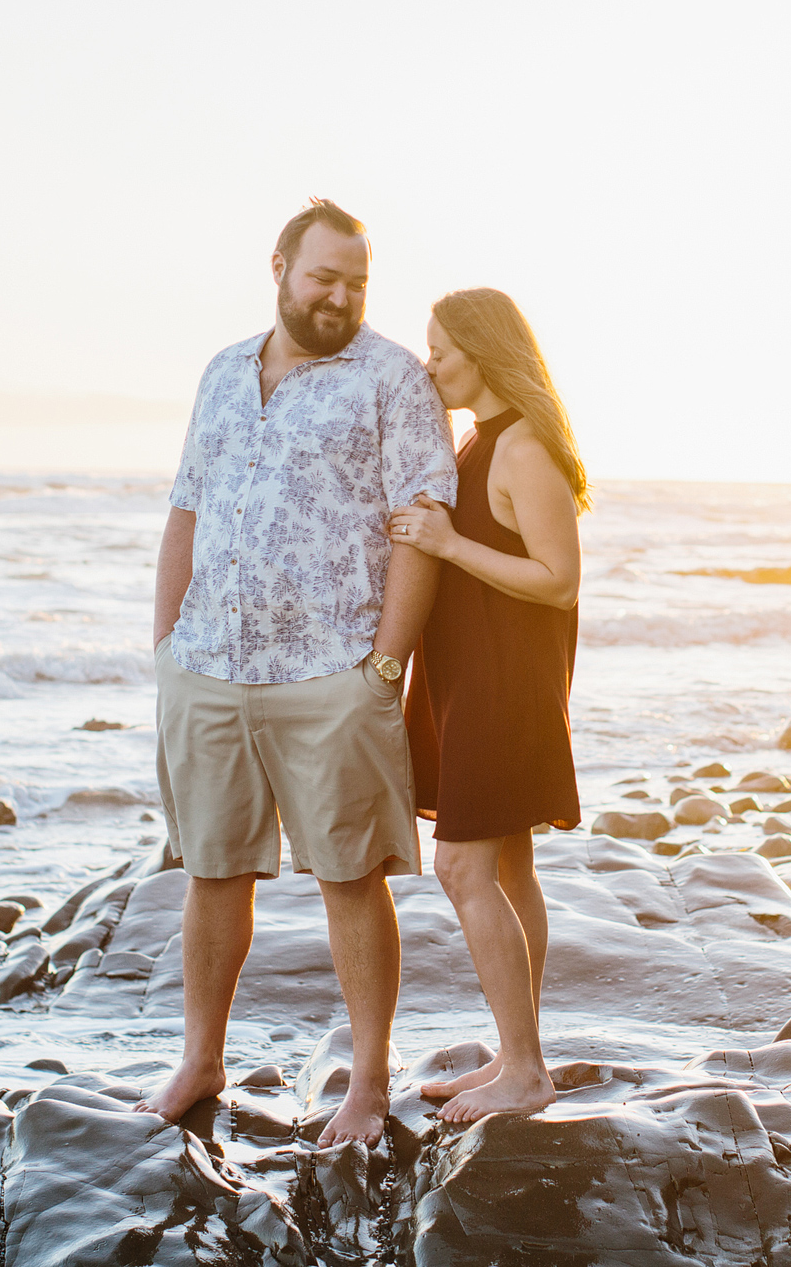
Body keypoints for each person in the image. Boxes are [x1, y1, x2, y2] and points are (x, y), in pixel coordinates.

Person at [139, 199, 457, 1147]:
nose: (341, 297)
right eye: (324, 277)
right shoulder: (222, 372)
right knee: (211, 869)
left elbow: (423, 530)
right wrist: (166, 647)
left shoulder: (394, 379)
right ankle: (201, 1058)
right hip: (208, 665)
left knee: (352, 876)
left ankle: (367, 1080)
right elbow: (186, 512)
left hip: (334, 670)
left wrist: (385, 666)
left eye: (357, 282)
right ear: (279, 266)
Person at [387, 287, 588, 1121]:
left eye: (440, 349)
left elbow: (558, 578)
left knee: (461, 865)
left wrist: (446, 543)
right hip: (478, 680)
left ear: (482, 349)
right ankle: (517, 1053)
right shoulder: (481, 440)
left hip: (507, 688)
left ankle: (527, 1070)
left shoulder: (524, 447)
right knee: (509, 867)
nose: (428, 363)